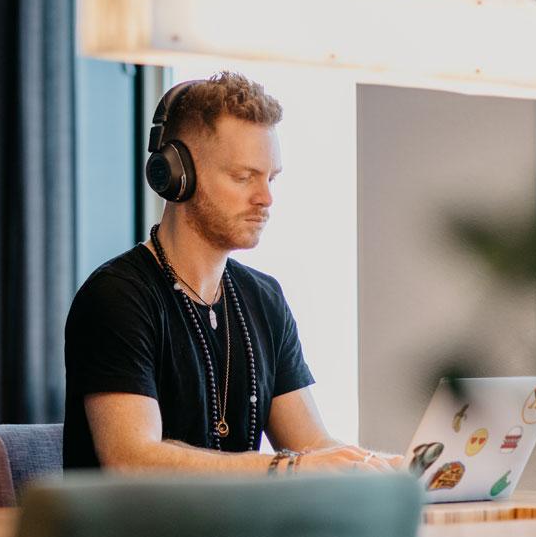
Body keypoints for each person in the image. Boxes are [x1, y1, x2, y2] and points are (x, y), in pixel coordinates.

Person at [63, 72, 400, 474]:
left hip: (238, 536)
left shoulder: (263, 298)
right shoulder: (117, 297)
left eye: (271, 178)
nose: (266, 198)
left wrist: (384, 469)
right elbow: (131, 459)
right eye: (244, 177)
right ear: (177, 176)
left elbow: (312, 445)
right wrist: (286, 470)